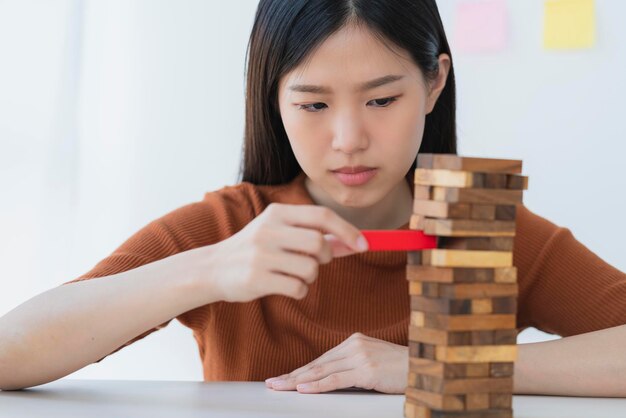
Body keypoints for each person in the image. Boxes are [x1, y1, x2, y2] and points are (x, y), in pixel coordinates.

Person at [1, 0, 625, 396]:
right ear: (273, 101)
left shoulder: (482, 227)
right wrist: (210, 268)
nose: (349, 139)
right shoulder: (230, 228)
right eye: (313, 105)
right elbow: (9, 354)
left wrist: (445, 368)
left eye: (382, 100)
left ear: (434, 83)